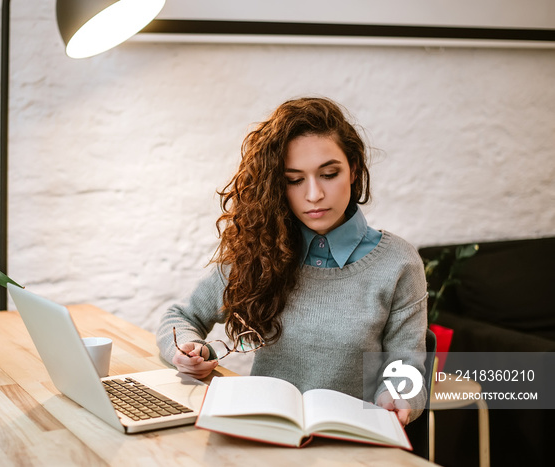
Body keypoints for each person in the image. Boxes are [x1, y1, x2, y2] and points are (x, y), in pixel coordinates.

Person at [156, 97, 428, 425]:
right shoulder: (261, 251)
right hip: (264, 433)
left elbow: (407, 368)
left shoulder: (398, 262)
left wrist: (397, 396)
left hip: (351, 442)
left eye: (329, 174)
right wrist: (187, 351)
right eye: (294, 180)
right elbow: (180, 316)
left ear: (353, 170)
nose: (313, 194)